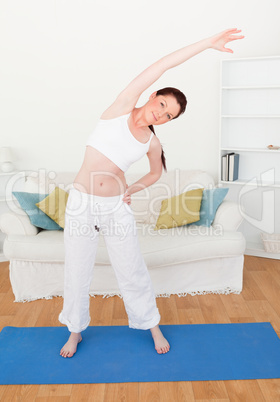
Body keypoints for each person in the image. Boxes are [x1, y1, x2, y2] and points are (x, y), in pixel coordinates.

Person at [59, 28, 244, 358]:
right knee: (76, 270)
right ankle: (75, 331)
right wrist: (206, 44)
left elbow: (157, 172)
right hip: (81, 204)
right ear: (153, 95)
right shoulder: (120, 108)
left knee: (131, 269)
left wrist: (133, 188)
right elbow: (162, 64)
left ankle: (151, 324)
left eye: (168, 115)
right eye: (162, 104)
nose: (161, 113)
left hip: (115, 206)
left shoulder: (152, 141)